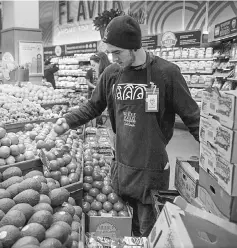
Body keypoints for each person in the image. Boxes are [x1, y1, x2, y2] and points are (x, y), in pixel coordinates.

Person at [54, 16, 200, 237]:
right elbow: (94, 106)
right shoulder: (112, 74)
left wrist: (214, 158)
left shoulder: (166, 73)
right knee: (122, 232)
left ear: (134, 46)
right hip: (120, 169)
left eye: (117, 52)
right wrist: (67, 120)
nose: (113, 58)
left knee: (148, 232)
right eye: (110, 52)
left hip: (152, 173)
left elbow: (193, 117)